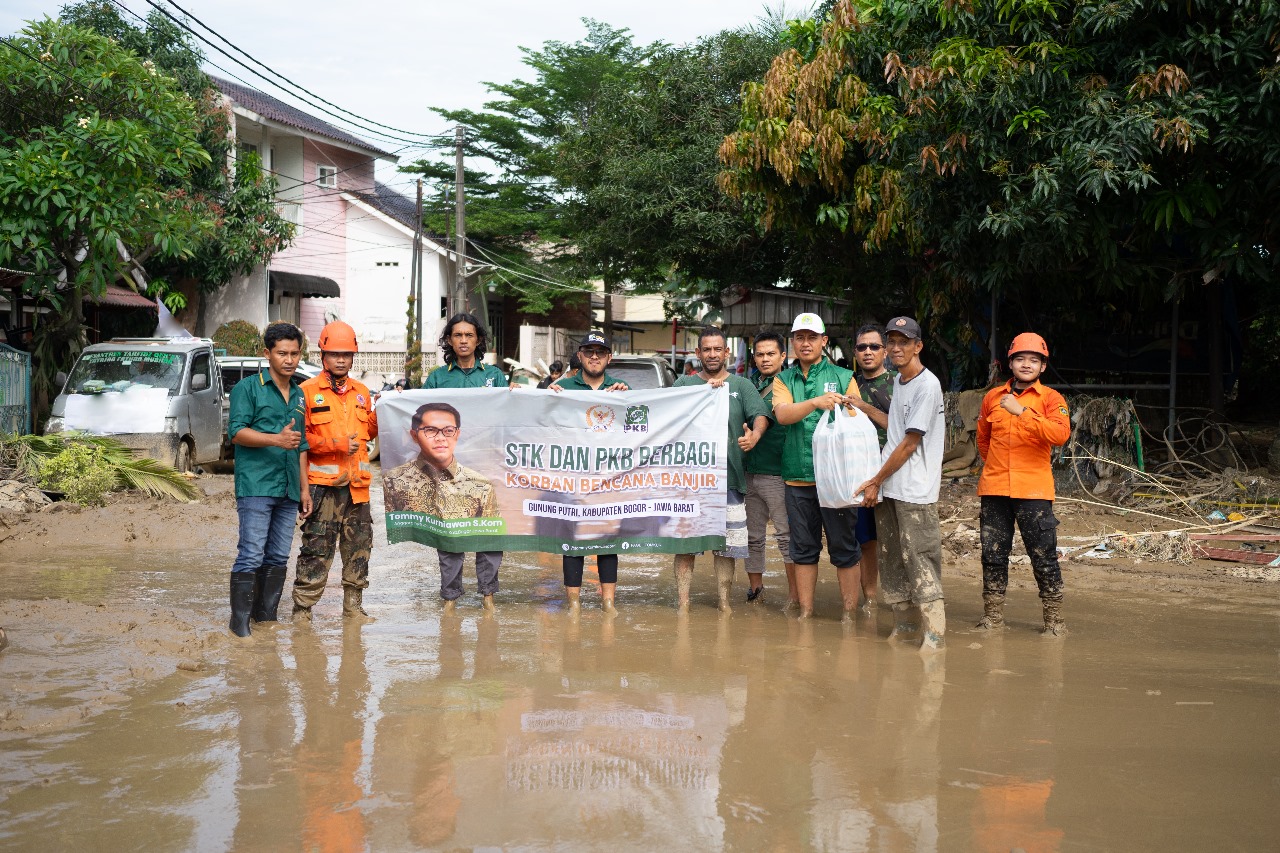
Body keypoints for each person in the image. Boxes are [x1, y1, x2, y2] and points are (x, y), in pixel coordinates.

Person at [856, 316, 947, 651]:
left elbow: (909, 443)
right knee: (892, 557)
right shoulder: (899, 382)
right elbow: (894, 426)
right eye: (891, 341)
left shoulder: (927, 385)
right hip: (891, 487)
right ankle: (905, 626)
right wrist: (861, 405)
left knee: (920, 556)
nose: (895, 348)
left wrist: (874, 480)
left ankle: (934, 635)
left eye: (903, 342)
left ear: (918, 346)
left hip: (915, 490)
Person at [976, 333, 1072, 636]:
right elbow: (983, 440)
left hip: (1034, 490)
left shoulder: (1052, 399)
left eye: (1034, 360)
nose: (1026, 364)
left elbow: (1060, 436)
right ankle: (992, 618)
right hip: (994, 489)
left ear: (1043, 366)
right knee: (992, 554)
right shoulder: (992, 397)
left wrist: (1023, 412)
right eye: (1020, 359)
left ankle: (1054, 622)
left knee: (1043, 555)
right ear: (1011, 363)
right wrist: (995, 467)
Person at [771, 313, 866, 620]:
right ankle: (805, 614)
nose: (806, 343)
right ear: (793, 342)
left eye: (812, 337)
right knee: (802, 548)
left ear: (824, 341)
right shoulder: (783, 379)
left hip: (837, 481)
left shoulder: (843, 376)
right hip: (798, 477)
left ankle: (850, 613)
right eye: (800, 337)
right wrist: (815, 402)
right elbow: (783, 415)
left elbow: (857, 424)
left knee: (845, 548)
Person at [672, 327, 771, 613]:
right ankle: (682, 603)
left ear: (726, 352)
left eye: (718, 349)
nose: (713, 354)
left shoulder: (741, 387)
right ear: (698, 353)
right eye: (707, 349)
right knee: (685, 546)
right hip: (688, 482)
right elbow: (660, 413)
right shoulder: (684, 385)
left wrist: (754, 435)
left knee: (726, 547)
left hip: (730, 479)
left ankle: (725, 603)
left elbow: (761, 414)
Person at [226, 322, 312, 638]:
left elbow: (300, 443)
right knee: (251, 552)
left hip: (289, 488)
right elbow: (236, 432)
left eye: (294, 353)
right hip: (257, 485)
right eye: (282, 353)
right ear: (267, 354)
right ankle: (240, 626)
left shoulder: (300, 394)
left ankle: (266, 619)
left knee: (277, 555)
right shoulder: (247, 389)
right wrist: (276, 440)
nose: (289, 360)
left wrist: (304, 489)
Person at [291, 321, 379, 623]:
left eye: (346, 354)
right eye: (334, 354)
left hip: (357, 488)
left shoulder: (363, 393)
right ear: (322, 355)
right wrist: (335, 445)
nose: (341, 360)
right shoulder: (305, 392)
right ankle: (303, 610)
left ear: (353, 357)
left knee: (359, 548)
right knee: (316, 548)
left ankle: (353, 608)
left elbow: (369, 430)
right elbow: (298, 442)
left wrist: (385, 414)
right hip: (323, 488)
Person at [420, 313, 507, 610]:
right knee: (449, 532)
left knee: (488, 531)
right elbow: (423, 420)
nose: (463, 341)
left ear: (479, 340)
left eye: (469, 335)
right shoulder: (437, 378)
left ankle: (488, 595)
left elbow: (507, 420)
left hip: (487, 466)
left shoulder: (494, 376)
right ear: (449, 340)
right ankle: (450, 597)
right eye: (457, 335)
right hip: (448, 469)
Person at [384, 402, 500, 612]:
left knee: (489, 538)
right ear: (414, 434)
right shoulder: (395, 481)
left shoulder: (480, 484)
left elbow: (490, 539)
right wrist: (398, 397)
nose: (440, 438)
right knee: (448, 543)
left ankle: (488, 596)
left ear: (457, 434)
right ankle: (450, 599)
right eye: (430, 430)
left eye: (448, 431)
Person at [551, 332, 629, 612]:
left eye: (600, 351)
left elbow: (639, 432)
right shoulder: (564, 389)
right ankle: (573, 603)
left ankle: (608, 602)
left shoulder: (621, 390)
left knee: (608, 539)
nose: (594, 356)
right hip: (573, 480)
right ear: (580, 356)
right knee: (572, 540)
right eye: (589, 351)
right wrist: (548, 397)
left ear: (609, 357)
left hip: (609, 481)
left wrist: (627, 397)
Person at [844, 323, 896, 615]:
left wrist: (863, 407)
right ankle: (871, 600)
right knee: (866, 540)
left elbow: (900, 429)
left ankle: (903, 599)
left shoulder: (899, 384)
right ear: (855, 352)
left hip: (893, 473)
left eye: (874, 347)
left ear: (885, 351)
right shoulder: (848, 384)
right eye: (862, 347)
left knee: (896, 540)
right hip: (860, 475)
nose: (867, 352)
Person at [743, 330, 794, 604]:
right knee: (753, 537)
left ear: (783, 356)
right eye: (760, 354)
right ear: (754, 357)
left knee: (786, 536)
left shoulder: (790, 385)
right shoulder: (746, 385)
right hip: (748, 471)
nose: (765, 359)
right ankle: (756, 590)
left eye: (771, 354)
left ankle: (796, 595)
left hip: (779, 472)